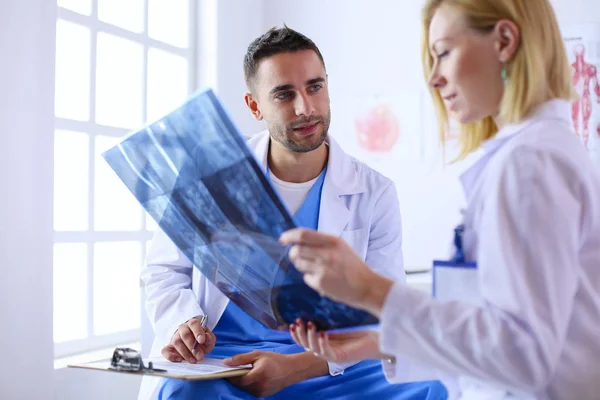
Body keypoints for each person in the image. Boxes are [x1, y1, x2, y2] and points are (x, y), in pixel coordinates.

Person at [281, 0, 600, 399]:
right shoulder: (537, 152)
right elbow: (503, 334)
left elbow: (524, 356)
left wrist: (372, 291)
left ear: (504, 40)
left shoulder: (529, 161)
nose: (434, 78)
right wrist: (384, 343)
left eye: (443, 53)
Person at [138, 26, 447, 399]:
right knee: (182, 394)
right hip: (224, 362)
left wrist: (295, 368)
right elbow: (162, 271)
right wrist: (184, 321)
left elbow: (383, 311)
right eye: (284, 94)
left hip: (327, 363)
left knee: (430, 383)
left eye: (314, 87)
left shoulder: (375, 192)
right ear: (255, 106)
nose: (306, 108)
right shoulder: (208, 176)